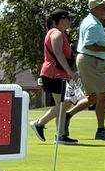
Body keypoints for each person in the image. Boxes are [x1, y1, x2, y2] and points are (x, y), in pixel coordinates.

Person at [65, 0, 105, 142]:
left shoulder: (93, 21)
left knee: (93, 97)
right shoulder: (93, 24)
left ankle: (67, 116)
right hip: (91, 61)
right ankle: (101, 130)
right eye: (103, 7)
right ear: (95, 9)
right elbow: (88, 45)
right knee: (103, 94)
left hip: (90, 61)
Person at [30, 8, 76, 143]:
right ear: (61, 20)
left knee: (62, 105)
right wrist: (71, 72)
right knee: (66, 104)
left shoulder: (60, 33)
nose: (71, 21)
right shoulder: (56, 33)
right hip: (54, 74)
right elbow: (58, 54)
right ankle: (39, 123)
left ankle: (60, 135)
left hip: (56, 74)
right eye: (69, 18)